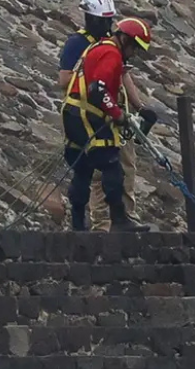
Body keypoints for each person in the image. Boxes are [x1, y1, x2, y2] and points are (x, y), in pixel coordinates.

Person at [57, 0, 150, 232]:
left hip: (74, 113)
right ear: (127, 41)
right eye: (135, 47)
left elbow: (118, 79)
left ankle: (78, 225)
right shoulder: (109, 52)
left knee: (83, 169)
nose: (135, 53)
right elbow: (98, 90)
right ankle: (118, 220)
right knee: (111, 167)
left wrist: (139, 107)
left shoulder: (101, 47)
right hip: (89, 115)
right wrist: (118, 114)